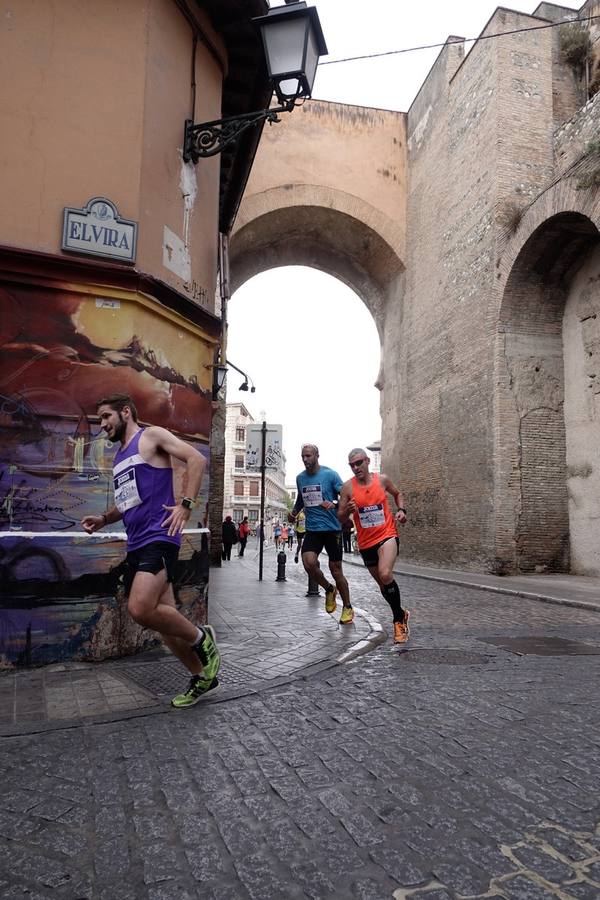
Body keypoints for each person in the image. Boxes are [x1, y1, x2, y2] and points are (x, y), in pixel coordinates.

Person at [80, 393, 221, 708]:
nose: (102, 425)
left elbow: (196, 459)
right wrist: (104, 519)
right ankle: (202, 676)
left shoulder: (151, 436)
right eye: (100, 419)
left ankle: (203, 640)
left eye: (106, 417)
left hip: (160, 536)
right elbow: (129, 502)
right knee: (163, 621)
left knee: (140, 608)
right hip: (137, 541)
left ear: (125, 412)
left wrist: (186, 504)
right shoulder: (119, 459)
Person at [337, 447, 410, 644]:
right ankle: (401, 612)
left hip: (387, 535)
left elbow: (398, 494)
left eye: (359, 463)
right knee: (384, 586)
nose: (356, 467)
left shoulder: (382, 480)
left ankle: (398, 622)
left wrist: (401, 510)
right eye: (352, 465)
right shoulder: (347, 488)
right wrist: (347, 511)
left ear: (368, 461)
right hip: (366, 542)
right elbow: (341, 518)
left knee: (386, 574)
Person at [289, 444, 354, 623]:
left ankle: (347, 607)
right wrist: (294, 513)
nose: (305, 459)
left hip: (332, 529)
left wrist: (333, 503)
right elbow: (301, 500)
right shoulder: (300, 478)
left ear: (317, 456)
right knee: (308, 563)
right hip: (313, 529)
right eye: (303, 456)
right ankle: (329, 589)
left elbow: (345, 495)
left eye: (308, 456)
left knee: (336, 570)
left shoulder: (330, 475)